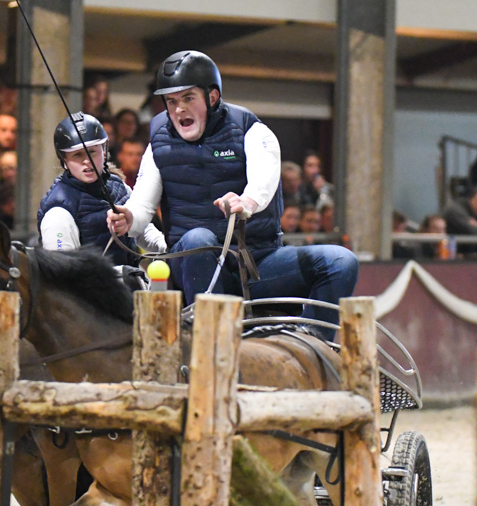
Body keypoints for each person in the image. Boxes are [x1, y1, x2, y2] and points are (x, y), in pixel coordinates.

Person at [106, 51, 357, 339]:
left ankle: (311, 346)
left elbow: (264, 182)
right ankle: (215, 342)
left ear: (212, 98)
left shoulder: (252, 131)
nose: (178, 110)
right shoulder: (158, 144)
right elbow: (142, 206)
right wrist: (128, 218)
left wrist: (245, 202)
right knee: (199, 240)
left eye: (188, 98)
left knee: (341, 261)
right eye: (172, 101)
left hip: (256, 265)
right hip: (192, 266)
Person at [39, 113, 165, 266]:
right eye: (77, 155)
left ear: (104, 152)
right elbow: (64, 272)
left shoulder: (119, 186)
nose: (87, 161)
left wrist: (166, 246)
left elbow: (141, 230)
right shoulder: (58, 212)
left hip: (129, 283)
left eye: (92, 152)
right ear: (64, 161)